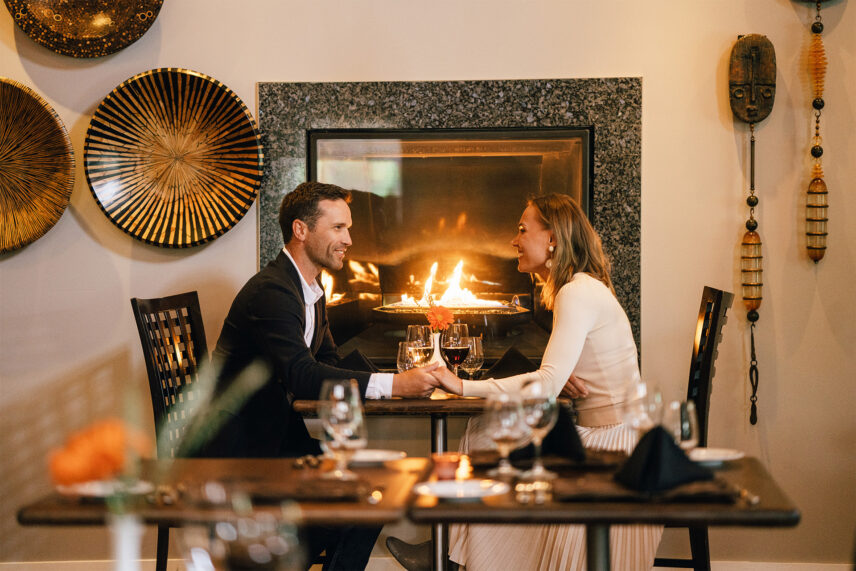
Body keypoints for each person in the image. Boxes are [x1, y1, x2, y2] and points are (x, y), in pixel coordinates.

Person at [201, 181, 440, 569]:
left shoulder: (310, 288)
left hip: (277, 437)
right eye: (338, 228)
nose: (349, 239)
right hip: (244, 449)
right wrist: (395, 385)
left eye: (348, 228)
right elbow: (302, 375)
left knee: (372, 495)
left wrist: (401, 380)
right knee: (366, 500)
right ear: (301, 230)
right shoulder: (272, 292)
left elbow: (331, 360)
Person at [432, 193, 662, 571]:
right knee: (485, 430)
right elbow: (562, 374)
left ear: (552, 237)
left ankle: (449, 556)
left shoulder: (577, 292)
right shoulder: (582, 287)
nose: (513, 240)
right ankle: (450, 554)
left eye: (522, 230)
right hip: (611, 432)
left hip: (616, 446)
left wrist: (460, 386)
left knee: (486, 435)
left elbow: (547, 384)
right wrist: (565, 373)